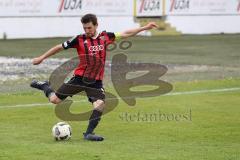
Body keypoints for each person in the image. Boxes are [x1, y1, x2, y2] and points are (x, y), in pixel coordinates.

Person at [30, 13, 158, 141]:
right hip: (79, 78)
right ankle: (45, 86)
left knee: (100, 104)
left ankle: (89, 133)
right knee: (55, 100)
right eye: (84, 28)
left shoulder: (105, 37)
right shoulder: (79, 39)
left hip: (95, 82)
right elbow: (59, 47)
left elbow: (126, 33)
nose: (87, 31)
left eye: (89, 28)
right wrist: (41, 58)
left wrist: (144, 28)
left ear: (96, 25)